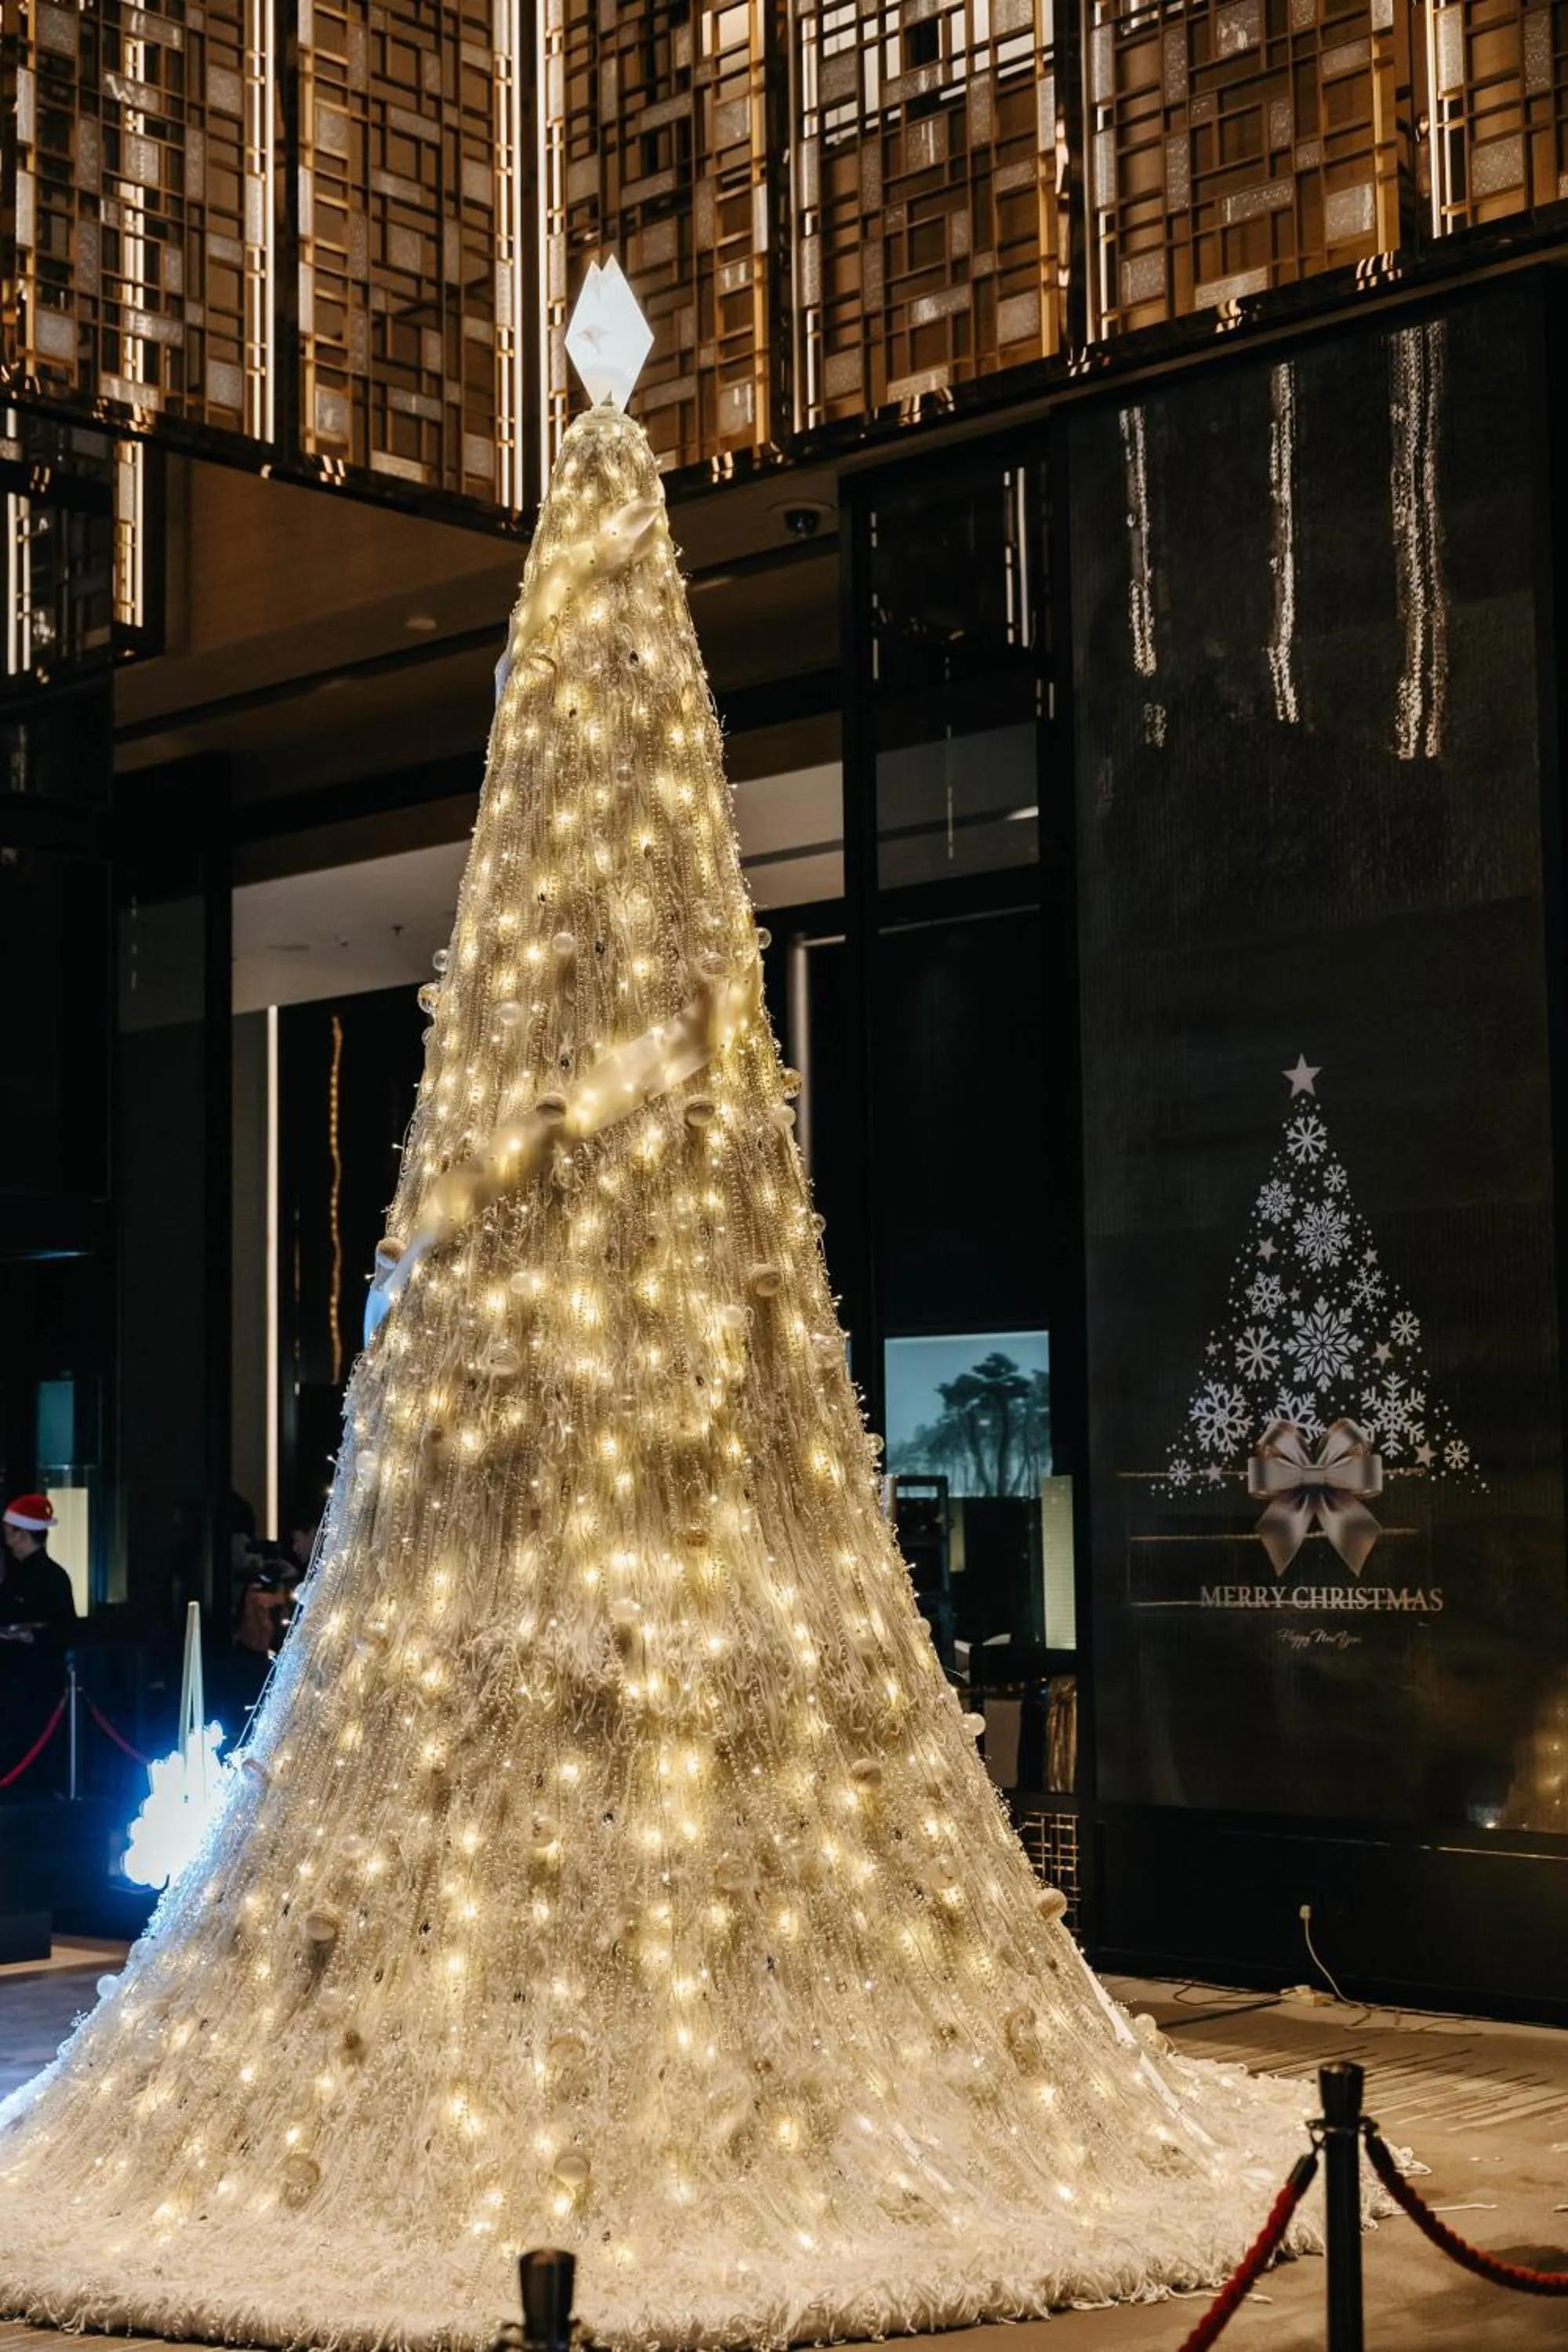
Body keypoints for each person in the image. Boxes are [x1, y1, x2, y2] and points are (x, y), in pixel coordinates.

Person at [0, 1495, 78, 1795]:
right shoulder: (16, 1576)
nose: (7, 1539)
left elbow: (65, 1630)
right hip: (14, 1683)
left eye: (10, 1531)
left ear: (23, 1533)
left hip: (36, 1685)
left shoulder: (52, 1578)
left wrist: (31, 1635)